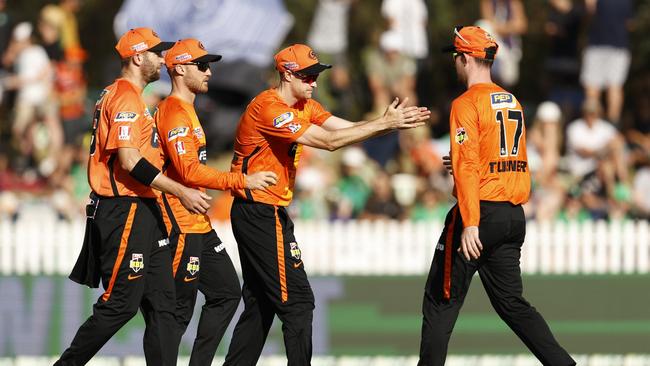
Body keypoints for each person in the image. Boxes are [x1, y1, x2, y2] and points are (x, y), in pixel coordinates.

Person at [223, 43, 430, 366]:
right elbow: (329, 142)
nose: (315, 83)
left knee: (260, 305)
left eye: (316, 75)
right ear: (287, 75)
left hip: (265, 210)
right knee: (299, 304)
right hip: (259, 211)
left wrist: (389, 122)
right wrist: (383, 125)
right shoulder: (270, 109)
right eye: (308, 76)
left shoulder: (305, 104)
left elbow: (342, 129)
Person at [417, 26, 575, 366]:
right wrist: (460, 165)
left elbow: (470, 165)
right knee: (512, 304)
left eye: (456, 57)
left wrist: (470, 222)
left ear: (465, 58)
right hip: (512, 215)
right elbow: (507, 155)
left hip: (479, 214)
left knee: (440, 300)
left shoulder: (465, 102)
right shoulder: (511, 100)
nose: (455, 64)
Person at [55, 27, 212, 366]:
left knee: (164, 307)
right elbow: (128, 161)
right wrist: (179, 189)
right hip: (123, 207)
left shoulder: (124, 95)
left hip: (141, 208)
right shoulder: (125, 96)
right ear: (138, 57)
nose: (162, 59)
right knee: (121, 304)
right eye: (157, 53)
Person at [154, 38, 278, 365]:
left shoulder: (188, 111)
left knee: (226, 292)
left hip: (197, 222)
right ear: (180, 68)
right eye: (202, 66)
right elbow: (189, 171)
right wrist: (242, 180)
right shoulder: (174, 113)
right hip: (179, 223)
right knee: (176, 313)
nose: (210, 72)